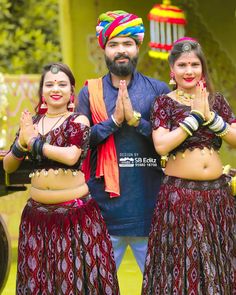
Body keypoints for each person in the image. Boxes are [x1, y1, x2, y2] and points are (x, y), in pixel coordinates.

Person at [3, 62, 120, 294]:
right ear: (42, 92)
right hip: (37, 218)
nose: (55, 89)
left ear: (71, 91)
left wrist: (35, 143)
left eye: (61, 84)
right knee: (41, 282)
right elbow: (8, 165)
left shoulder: (78, 121)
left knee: (74, 282)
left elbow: (70, 155)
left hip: (74, 217)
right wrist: (21, 143)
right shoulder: (32, 124)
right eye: (49, 84)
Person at [77, 10, 170, 273]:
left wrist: (135, 122)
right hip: (103, 207)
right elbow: (80, 142)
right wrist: (114, 122)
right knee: (98, 285)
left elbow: (168, 142)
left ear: (137, 46)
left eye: (127, 43)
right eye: (113, 44)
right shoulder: (89, 92)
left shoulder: (158, 90)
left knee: (157, 284)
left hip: (148, 205)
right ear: (103, 49)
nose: (121, 50)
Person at [142, 37, 236, 294]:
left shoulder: (216, 102)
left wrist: (212, 119)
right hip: (179, 197)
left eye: (194, 64)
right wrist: (194, 119)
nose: (189, 71)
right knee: (182, 263)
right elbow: (161, 145)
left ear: (202, 69)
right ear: (172, 70)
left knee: (219, 263)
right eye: (182, 65)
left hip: (217, 197)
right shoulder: (164, 103)